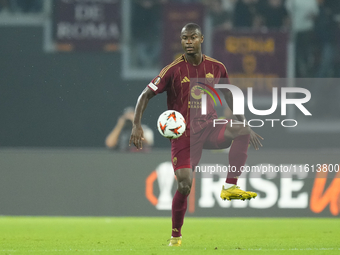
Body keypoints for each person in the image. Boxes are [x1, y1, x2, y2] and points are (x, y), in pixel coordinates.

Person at [129, 23, 263, 246]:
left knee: (241, 130)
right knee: (184, 185)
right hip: (183, 136)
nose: (188, 42)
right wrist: (136, 124)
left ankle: (230, 187)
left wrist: (245, 123)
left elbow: (230, 96)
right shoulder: (172, 70)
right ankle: (176, 235)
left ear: (201, 39)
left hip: (209, 127)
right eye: (184, 38)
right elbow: (145, 94)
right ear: (181, 41)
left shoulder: (217, 67)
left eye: (192, 37)